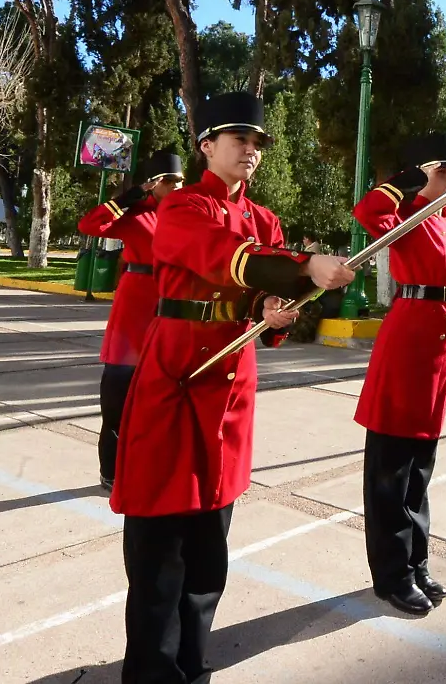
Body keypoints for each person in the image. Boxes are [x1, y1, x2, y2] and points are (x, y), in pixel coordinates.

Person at [111, 92, 354, 684]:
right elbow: (222, 257)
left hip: (231, 384)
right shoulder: (182, 206)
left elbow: (256, 292)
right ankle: (150, 670)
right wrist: (303, 263)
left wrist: (277, 310)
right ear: (207, 147)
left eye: (258, 141)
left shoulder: (265, 219)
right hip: (175, 377)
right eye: (239, 138)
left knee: (210, 538)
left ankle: (193, 662)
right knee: (159, 537)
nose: (251, 148)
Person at [352, 133, 446, 616]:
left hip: (438, 352)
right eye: (442, 168)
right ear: (422, 174)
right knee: (391, 470)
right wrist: (406, 181)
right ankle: (392, 574)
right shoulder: (403, 218)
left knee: (420, 468)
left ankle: (417, 562)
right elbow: (366, 214)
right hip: (405, 345)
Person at [77, 150, 185, 491]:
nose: (177, 187)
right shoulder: (136, 213)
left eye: (180, 181)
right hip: (135, 307)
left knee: (165, 399)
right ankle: (111, 471)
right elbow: (90, 224)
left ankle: (152, 466)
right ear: (154, 184)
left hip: (174, 307)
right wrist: (130, 197)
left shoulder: (187, 215)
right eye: (170, 182)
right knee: (117, 401)